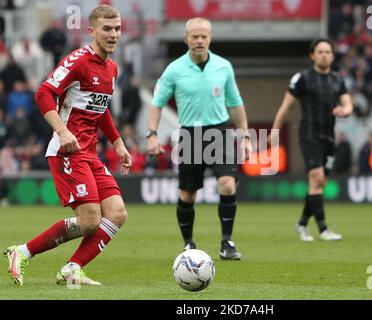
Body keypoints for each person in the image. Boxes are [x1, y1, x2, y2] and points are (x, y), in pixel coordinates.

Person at [3, 5, 132, 287]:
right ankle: (21, 251)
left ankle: (72, 268)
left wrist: (119, 143)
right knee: (89, 221)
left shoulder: (111, 68)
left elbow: (101, 109)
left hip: (90, 153)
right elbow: (44, 93)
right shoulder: (78, 60)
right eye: (107, 29)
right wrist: (61, 131)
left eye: (118, 28)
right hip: (68, 152)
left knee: (118, 213)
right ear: (92, 31)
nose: (113, 34)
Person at [147, 17, 250, 260]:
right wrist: (151, 134)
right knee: (188, 194)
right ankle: (188, 243)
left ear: (210, 38)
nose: (200, 40)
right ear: (186, 39)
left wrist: (244, 136)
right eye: (195, 36)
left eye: (204, 36)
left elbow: (235, 104)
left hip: (220, 131)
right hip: (190, 135)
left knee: (227, 183)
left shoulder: (224, 67)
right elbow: (157, 104)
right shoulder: (174, 69)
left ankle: (227, 242)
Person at [271, 38, 353, 242]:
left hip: (329, 137)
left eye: (328, 51)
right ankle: (323, 229)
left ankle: (302, 223)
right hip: (309, 135)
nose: (324, 55)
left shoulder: (337, 79)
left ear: (333, 56)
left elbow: (348, 104)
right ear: (312, 55)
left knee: (320, 183)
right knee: (316, 178)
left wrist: (345, 111)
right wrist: (274, 131)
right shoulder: (303, 78)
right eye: (320, 51)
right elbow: (286, 106)